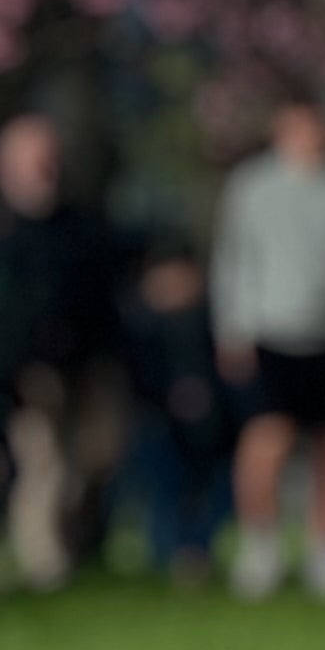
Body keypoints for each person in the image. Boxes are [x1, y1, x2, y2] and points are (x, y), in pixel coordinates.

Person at [212, 96, 325, 601]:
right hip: (269, 331)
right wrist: (233, 327)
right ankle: (260, 545)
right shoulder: (252, 187)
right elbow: (234, 259)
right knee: (268, 437)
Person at [0, 113, 127, 590]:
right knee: (43, 464)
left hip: (86, 363)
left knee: (97, 457)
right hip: (27, 372)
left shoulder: (81, 225)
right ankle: (46, 564)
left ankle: (81, 544)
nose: (45, 171)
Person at [116, 230, 231, 587]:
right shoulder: (137, 327)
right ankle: (172, 553)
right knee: (165, 486)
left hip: (217, 426)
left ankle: (196, 551)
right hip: (158, 421)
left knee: (219, 487)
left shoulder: (219, 321)